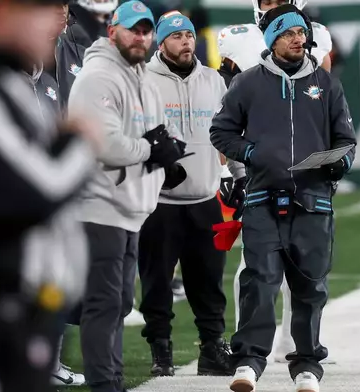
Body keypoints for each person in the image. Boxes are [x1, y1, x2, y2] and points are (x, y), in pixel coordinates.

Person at [210, 5, 356, 391]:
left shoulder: (326, 85)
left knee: (311, 285)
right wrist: (254, 154)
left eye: (301, 33)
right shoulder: (248, 83)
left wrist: (338, 164)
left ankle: (306, 364)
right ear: (273, 38)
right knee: (259, 281)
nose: (298, 38)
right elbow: (221, 132)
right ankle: (249, 362)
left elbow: (346, 140)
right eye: (289, 33)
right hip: (262, 199)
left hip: (314, 202)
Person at [0, 0, 100, 391]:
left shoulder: (6, 77)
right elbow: (34, 189)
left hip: (17, 307)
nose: (58, 21)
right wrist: (79, 143)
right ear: (2, 10)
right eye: (43, 8)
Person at [67, 2, 187, 391]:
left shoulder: (142, 78)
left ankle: (108, 376)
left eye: (146, 30)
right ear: (111, 30)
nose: (141, 36)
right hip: (99, 206)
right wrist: (152, 150)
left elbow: (153, 134)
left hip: (130, 209)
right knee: (103, 305)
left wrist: (167, 150)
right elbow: (105, 145)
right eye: (133, 29)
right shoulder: (97, 77)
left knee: (114, 304)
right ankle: (106, 384)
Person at [138, 9, 238, 378]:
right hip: (158, 203)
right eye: (177, 36)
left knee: (209, 283)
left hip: (204, 199)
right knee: (157, 283)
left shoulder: (214, 80)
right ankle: (160, 352)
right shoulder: (144, 79)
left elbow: (228, 133)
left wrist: (237, 175)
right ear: (161, 42)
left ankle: (212, 349)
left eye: (190, 36)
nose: (186, 42)